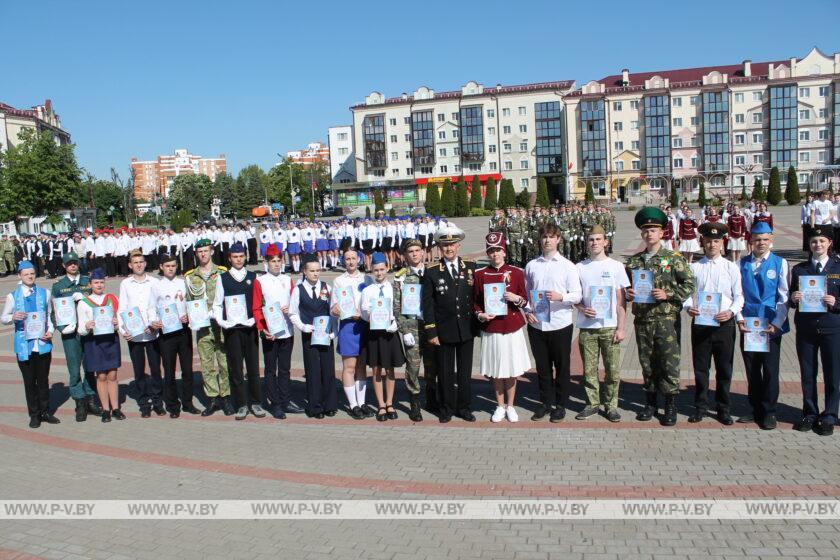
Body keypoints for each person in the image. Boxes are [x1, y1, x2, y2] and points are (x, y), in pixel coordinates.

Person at [625, 207, 695, 426]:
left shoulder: (674, 258)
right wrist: (628, 294)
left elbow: (690, 283)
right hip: (643, 320)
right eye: (646, 231)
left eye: (653, 230)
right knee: (647, 363)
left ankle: (671, 405)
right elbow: (626, 288)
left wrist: (669, 294)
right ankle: (650, 403)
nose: (649, 234)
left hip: (666, 320)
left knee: (668, 363)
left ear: (662, 232)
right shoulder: (634, 262)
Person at [683, 222, 744, 425]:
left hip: (724, 324)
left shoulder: (731, 267)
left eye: (716, 241)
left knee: (724, 369)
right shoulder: (693, 267)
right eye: (708, 241)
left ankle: (723, 408)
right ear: (702, 242)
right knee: (701, 369)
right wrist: (688, 306)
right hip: (701, 323)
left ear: (722, 242)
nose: (711, 245)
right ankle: (700, 407)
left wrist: (731, 312)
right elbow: (686, 294)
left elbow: (739, 297)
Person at [524, 223, 582, 422]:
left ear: (558, 239)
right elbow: (526, 293)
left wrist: (561, 297)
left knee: (562, 366)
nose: (547, 240)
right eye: (544, 237)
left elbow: (577, 295)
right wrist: (526, 311)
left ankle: (560, 404)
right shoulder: (532, 265)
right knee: (542, 367)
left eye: (551, 236)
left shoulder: (568, 266)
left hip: (560, 324)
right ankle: (545, 403)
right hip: (537, 324)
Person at [735, 221, 789, 430]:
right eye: (757, 239)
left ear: (771, 241)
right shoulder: (741, 263)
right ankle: (754, 407)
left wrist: (777, 323)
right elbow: (737, 294)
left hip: (770, 325)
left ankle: (769, 411)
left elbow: (783, 297)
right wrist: (739, 318)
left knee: (770, 369)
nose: (761, 243)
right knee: (751, 368)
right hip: (748, 325)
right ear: (750, 241)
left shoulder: (780, 263)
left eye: (765, 239)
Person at [421, 224, 477, 423]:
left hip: (466, 329)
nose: (449, 249)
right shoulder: (432, 272)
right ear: (439, 247)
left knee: (464, 372)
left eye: (452, 244)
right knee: (445, 373)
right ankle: (446, 408)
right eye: (445, 245)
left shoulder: (470, 267)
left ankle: (464, 407)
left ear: (459, 246)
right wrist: (431, 332)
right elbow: (427, 305)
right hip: (443, 331)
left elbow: (476, 298)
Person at [473, 232, 531, 422]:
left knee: (512, 368)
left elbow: (525, 300)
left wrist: (517, 298)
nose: (495, 254)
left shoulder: (516, 272)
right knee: (497, 369)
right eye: (491, 251)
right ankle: (499, 405)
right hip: (492, 327)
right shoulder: (480, 274)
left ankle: (511, 406)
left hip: (512, 327)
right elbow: (475, 303)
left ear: (504, 251)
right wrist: (480, 314)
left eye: (498, 250)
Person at [574, 225, 629, 422]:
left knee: (612, 370)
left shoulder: (616, 266)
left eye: (598, 239)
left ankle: (611, 405)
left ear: (606, 242)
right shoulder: (579, 267)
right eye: (591, 240)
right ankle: (592, 404)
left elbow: (621, 300)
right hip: (587, 328)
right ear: (587, 243)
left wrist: (621, 327)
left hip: (609, 326)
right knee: (589, 371)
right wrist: (581, 308)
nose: (595, 243)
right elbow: (575, 297)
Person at [789, 225, 840, 436]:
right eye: (813, 242)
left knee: (833, 374)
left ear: (829, 243)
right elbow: (791, 296)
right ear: (809, 245)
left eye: (821, 241)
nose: (817, 245)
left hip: (831, 327)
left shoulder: (838, 267)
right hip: (806, 329)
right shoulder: (800, 269)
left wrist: (836, 302)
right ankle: (810, 413)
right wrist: (793, 298)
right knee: (808, 374)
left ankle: (829, 415)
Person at [1, 261, 58, 428]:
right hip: (24, 346)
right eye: (26, 274)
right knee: (29, 382)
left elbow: (50, 316)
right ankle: (34, 414)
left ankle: (45, 411)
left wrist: (51, 330)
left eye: (32, 273)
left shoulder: (45, 293)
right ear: (19, 275)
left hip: (42, 344)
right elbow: (3, 317)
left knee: (43, 380)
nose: (30, 276)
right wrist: (13, 317)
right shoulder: (13, 296)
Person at [212, 242, 265, 420]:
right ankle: (241, 404)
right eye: (235, 257)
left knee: (253, 368)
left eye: (241, 256)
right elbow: (217, 304)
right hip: (232, 330)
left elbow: (259, 302)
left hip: (249, 328)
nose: (239, 259)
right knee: (236, 368)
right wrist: (223, 322)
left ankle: (256, 402)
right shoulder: (223, 278)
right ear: (229, 258)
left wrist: (254, 320)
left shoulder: (253, 276)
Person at [51, 251, 103, 422]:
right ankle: (79, 402)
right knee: (74, 370)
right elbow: (54, 312)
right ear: (63, 266)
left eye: (75, 262)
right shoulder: (59, 286)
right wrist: (61, 328)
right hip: (70, 334)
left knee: (89, 367)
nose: (73, 265)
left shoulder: (87, 282)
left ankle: (90, 399)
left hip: (88, 332)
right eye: (69, 263)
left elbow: (98, 302)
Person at [148, 253, 201, 418]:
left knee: (187, 369)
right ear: (161, 267)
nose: (171, 269)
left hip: (183, 330)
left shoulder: (183, 282)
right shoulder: (156, 285)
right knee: (169, 370)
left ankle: (187, 402)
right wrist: (153, 321)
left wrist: (189, 315)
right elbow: (151, 308)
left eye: (173, 265)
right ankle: (172, 405)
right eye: (167, 266)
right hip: (166, 333)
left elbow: (191, 303)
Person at [185, 239, 234, 416]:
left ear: (212, 252)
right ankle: (213, 399)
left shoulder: (222, 272)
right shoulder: (190, 276)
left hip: (220, 325)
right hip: (203, 327)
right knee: (206, 364)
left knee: (224, 362)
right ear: (196, 254)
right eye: (200, 251)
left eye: (206, 251)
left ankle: (226, 397)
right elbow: (188, 300)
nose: (203, 254)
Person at [252, 244, 301, 419]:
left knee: (285, 368)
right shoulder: (260, 281)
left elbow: (295, 302)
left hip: (286, 330)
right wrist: (262, 328)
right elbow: (256, 308)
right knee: (271, 369)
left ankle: (286, 400)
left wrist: (291, 310)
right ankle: (275, 403)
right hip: (270, 332)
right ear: (266, 262)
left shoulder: (288, 279)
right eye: (272, 261)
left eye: (278, 261)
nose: (276, 264)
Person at [394, 239, 436, 421]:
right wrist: (404, 330)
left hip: (431, 327)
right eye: (410, 251)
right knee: (413, 367)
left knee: (432, 365)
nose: (414, 254)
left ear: (423, 252)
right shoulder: (401, 277)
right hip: (412, 327)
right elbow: (396, 307)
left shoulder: (432, 273)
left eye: (417, 250)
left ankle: (433, 400)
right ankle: (415, 404)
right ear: (405, 254)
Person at [289, 258, 337, 418]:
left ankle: (329, 404)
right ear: (304, 271)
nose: (315, 273)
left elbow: (334, 312)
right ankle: (315, 407)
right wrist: (303, 326)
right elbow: (292, 313)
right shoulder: (298, 289)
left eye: (318, 270)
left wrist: (334, 332)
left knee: (328, 370)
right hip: (309, 336)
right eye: (312, 270)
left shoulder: (327, 287)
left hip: (326, 336)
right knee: (313, 371)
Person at [360, 252, 405, 421]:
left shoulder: (394, 288)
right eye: (375, 270)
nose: (379, 273)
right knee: (376, 369)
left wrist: (396, 324)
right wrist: (367, 313)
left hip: (389, 333)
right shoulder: (368, 291)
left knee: (390, 369)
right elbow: (364, 314)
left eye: (381, 269)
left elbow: (399, 309)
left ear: (387, 268)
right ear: (371, 270)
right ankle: (380, 405)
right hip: (374, 334)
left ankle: (390, 402)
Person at [118, 250, 163, 418]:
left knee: (156, 369)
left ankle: (157, 401)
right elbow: (122, 308)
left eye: (141, 262)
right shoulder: (125, 284)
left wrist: (156, 323)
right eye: (135, 262)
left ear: (145, 263)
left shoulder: (154, 281)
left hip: (152, 333)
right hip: (135, 335)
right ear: (130, 265)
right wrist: (124, 330)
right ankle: (144, 403)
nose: (138, 265)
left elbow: (160, 305)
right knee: (138, 370)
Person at [330, 245, 373, 419]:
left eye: (353, 258)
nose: (350, 261)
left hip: (364, 325)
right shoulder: (339, 281)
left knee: (362, 366)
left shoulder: (367, 279)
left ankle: (362, 403)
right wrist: (339, 310)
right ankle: (353, 404)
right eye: (347, 259)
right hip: (348, 326)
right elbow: (333, 308)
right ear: (343, 261)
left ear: (359, 259)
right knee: (349, 367)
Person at [77, 268, 124, 422]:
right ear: (90, 284)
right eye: (96, 282)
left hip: (110, 340)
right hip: (94, 342)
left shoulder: (112, 298)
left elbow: (119, 321)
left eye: (101, 282)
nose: (99, 285)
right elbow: (80, 329)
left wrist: (116, 323)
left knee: (113, 374)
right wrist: (87, 326)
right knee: (101, 376)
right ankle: (105, 409)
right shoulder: (84, 303)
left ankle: (116, 408)